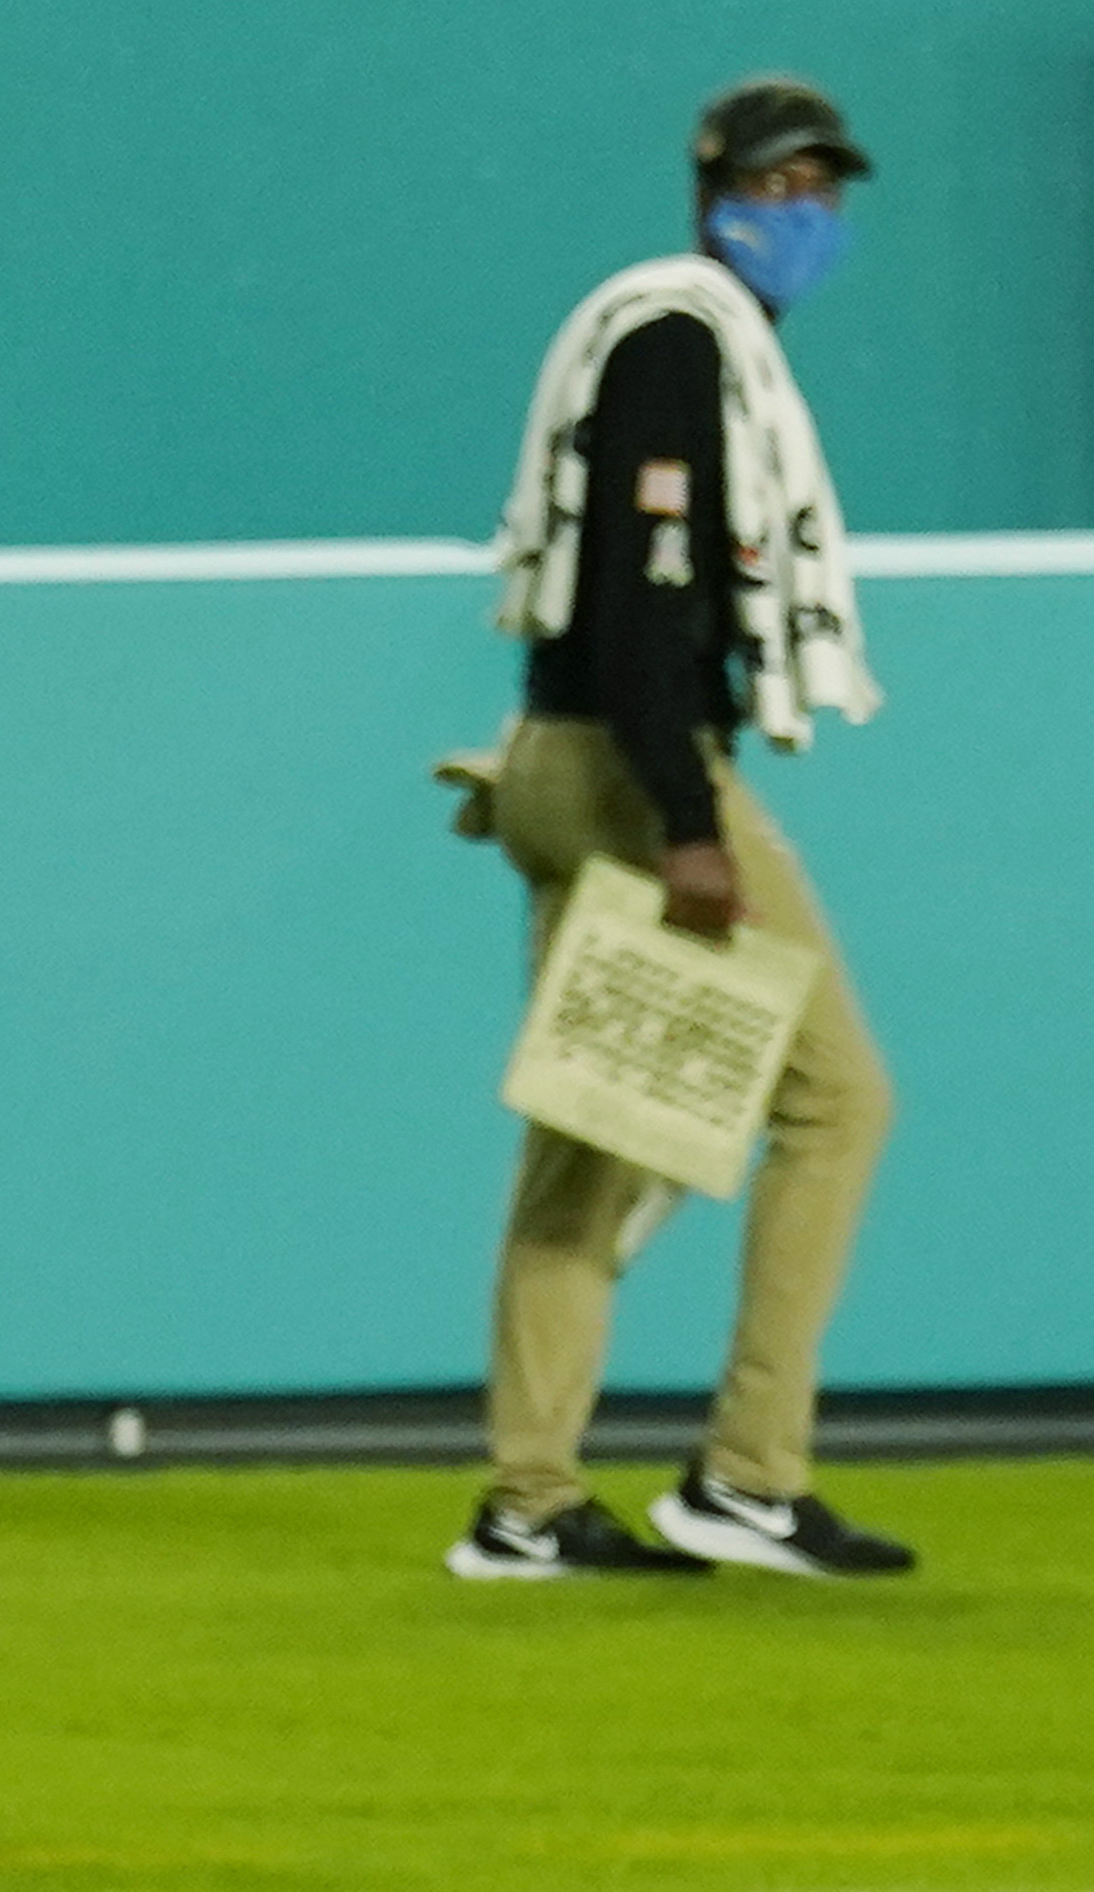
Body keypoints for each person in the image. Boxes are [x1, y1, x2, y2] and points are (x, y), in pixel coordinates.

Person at [456, 77, 911, 1582]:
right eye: (780, 189)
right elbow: (644, 602)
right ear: (714, 191)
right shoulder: (679, 341)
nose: (805, 219)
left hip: (573, 754)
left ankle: (528, 1500)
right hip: (633, 772)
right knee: (838, 1103)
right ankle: (751, 1477)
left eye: (824, 192)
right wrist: (689, 822)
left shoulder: (671, 336)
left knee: (593, 1147)